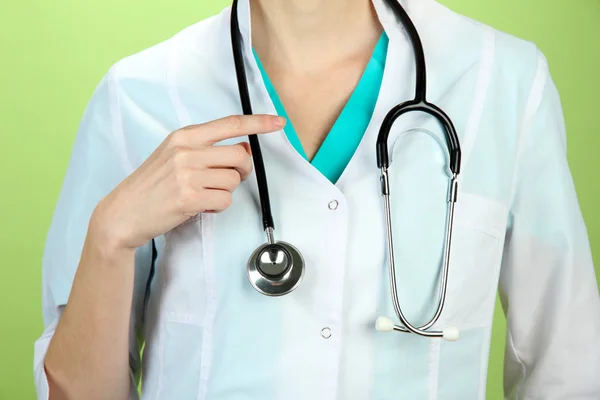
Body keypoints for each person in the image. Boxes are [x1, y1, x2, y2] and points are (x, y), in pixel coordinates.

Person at [34, 0, 600, 398]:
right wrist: (108, 237)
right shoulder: (139, 95)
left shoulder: (500, 81)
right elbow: (75, 393)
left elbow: (568, 368)